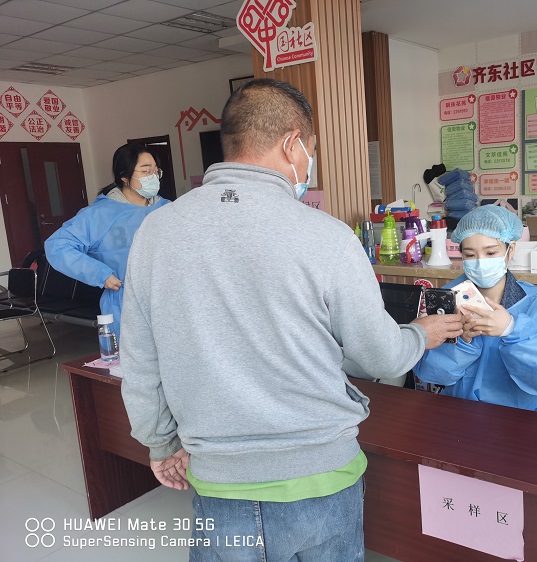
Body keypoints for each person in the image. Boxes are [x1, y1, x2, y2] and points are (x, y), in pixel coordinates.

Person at [119, 79, 462, 561]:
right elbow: (381, 357)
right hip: (321, 476)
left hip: (219, 479)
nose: (308, 162)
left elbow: (140, 356)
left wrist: (160, 443)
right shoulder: (327, 236)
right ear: (292, 143)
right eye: (311, 151)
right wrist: (419, 335)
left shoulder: (157, 231)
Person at [413, 205, 537, 416]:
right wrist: (462, 341)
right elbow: (430, 373)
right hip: (463, 414)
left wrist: (513, 329)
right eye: (470, 254)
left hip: (526, 416)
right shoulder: (447, 299)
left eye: (491, 252)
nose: (480, 262)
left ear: (510, 250)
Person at [44, 143, 169, 338]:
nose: (153, 176)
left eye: (156, 171)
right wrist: (101, 274)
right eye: (146, 171)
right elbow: (57, 247)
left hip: (171, 300)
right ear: (124, 176)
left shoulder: (168, 209)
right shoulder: (99, 215)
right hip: (126, 306)